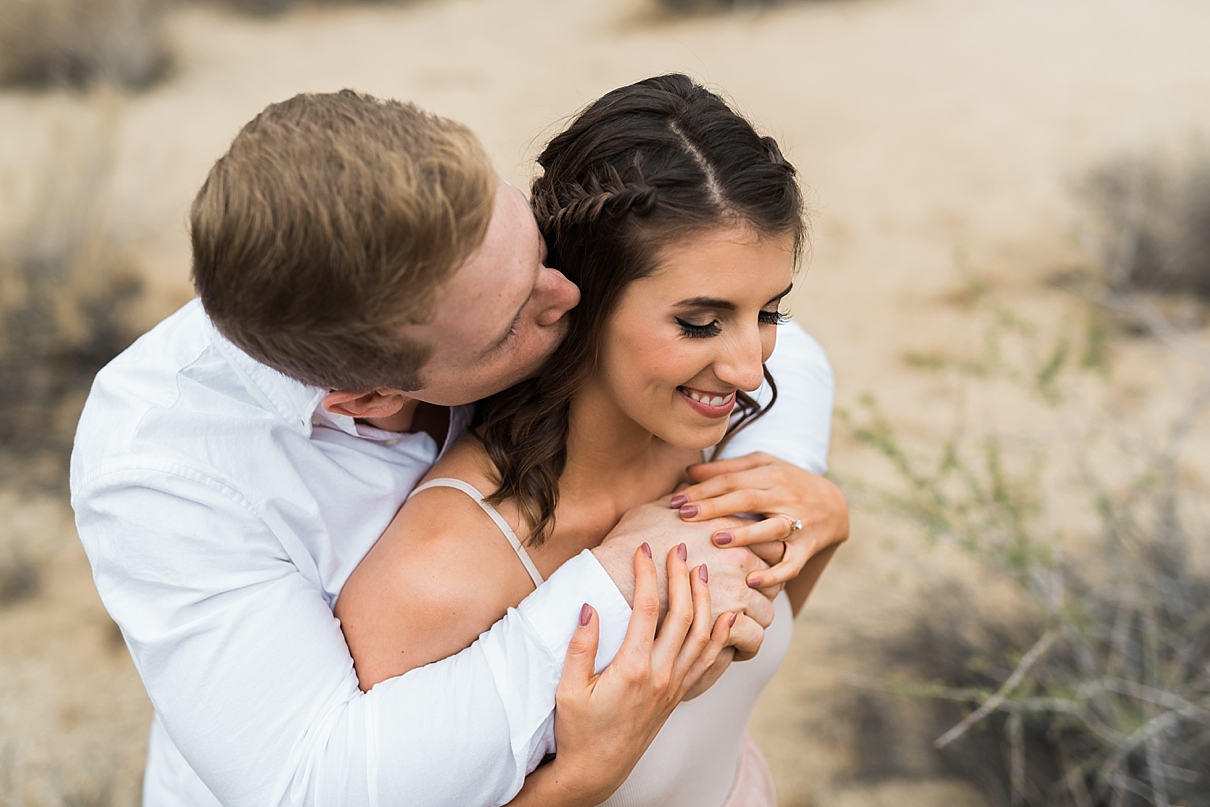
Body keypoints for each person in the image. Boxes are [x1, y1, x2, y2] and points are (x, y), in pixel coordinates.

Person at [69, 88, 846, 807]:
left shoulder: (475, 263)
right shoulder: (165, 471)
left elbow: (746, 325)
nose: (568, 292)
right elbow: (315, 784)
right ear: (371, 396)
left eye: (536, 248)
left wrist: (796, 491)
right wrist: (610, 598)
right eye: (518, 314)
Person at [337, 74, 839, 807]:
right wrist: (582, 780)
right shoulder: (438, 573)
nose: (747, 368)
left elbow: (747, 671)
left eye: (768, 312)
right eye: (700, 323)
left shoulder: (721, 439)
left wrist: (826, 525)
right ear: (582, 296)